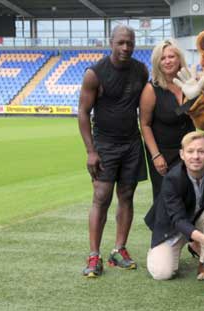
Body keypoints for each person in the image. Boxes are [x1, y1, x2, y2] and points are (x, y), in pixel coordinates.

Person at [78, 25, 149, 278]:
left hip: (131, 142)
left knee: (127, 195)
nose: (125, 48)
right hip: (105, 144)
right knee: (101, 197)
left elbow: (145, 106)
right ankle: (94, 255)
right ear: (111, 42)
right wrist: (91, 151)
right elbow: (83, 113)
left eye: (130, 43)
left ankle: (119, 249)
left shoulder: (141, 70)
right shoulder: (94, 74)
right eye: (121, 42)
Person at [144, 131, 204, 280]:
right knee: (162, 273)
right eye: (190, 151)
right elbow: (178, 220)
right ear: (182, 154)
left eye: (201, 151)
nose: (196, 157)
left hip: (199, 220)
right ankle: (194, 243)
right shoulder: (172, 178)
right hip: (172, 227)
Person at [139, 39, 195, 202]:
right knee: (166, 200)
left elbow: (197, 116)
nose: (167, 61)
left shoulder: (190, 84)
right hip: (164, 153)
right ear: (157, 63)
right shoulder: (152, 89)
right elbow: (145, 124)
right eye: (162, 58)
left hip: (189, 151)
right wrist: (156, 156)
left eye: (171, 56)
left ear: (179, 59)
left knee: (189, 197)